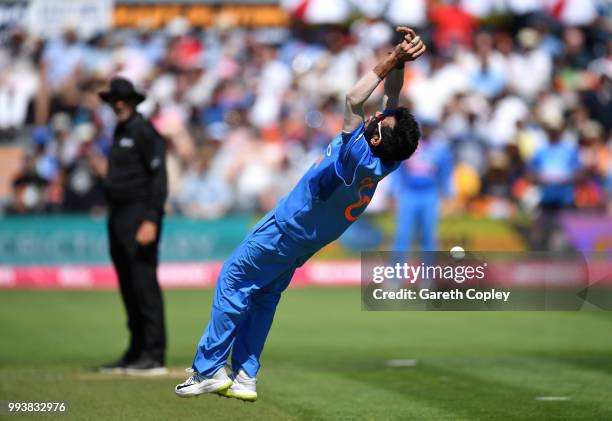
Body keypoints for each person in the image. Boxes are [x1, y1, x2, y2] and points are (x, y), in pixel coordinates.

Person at [175, 27, 426, 401]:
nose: (377, 117)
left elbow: (354, 99)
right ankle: (245, 375)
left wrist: (390, 60)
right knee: (263, 297)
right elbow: (391, 99)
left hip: (287, 226)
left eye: (379, 123)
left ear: (374, 137)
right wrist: (401, 59)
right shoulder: (386, 158)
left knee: (233, 280)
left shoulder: (356, 153)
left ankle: (208, 369)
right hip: (308, 238)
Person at [98, 78, 168, 375]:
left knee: (143, 284)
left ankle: (153, 354)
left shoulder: (143, 131)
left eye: (124, 98)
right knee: (128, 285)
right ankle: (135, 350)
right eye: (114, 98)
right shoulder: (120, 130)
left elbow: (158, 177)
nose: (118, 103)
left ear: (134, 101)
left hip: (140, 214)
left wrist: (151, 218)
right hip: (118, 215)